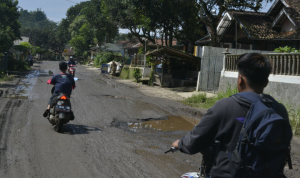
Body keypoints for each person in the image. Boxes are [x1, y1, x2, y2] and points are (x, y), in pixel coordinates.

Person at [171, 53, 291, 178]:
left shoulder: (225, 106)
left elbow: (194, 141)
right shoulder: (279, 110)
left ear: (240, 80)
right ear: (266, 82)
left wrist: (180, 144)